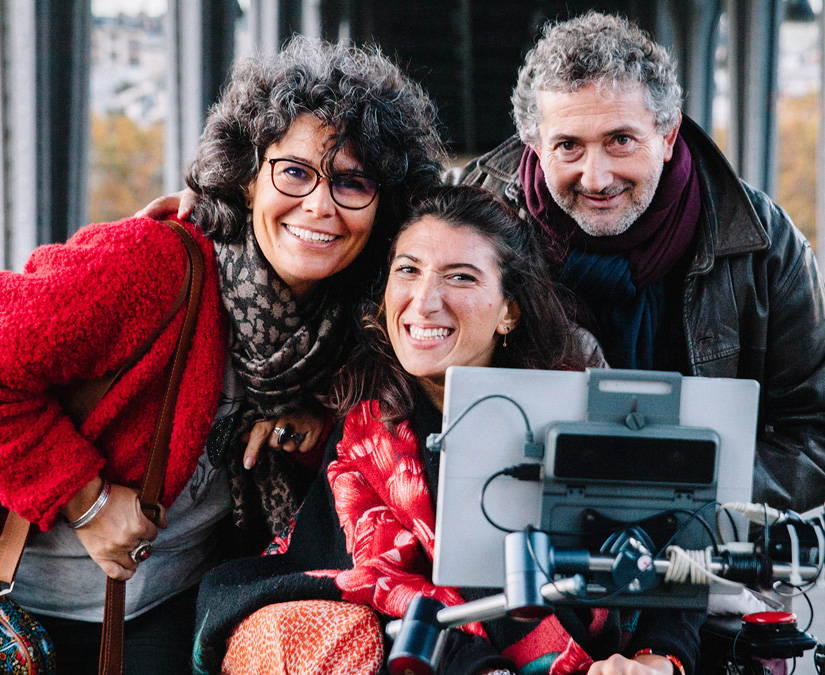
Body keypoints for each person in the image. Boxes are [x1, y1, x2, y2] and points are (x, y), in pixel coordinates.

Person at [0, 37, 442, 673]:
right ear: (246, 178)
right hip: (22, 609)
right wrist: (86, 500)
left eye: (352, 182)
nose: (319, 204)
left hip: (161, 620)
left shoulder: (356, 326)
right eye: (295, 171)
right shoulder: (154, 266)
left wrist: (312, 429)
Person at [192, 186, 700, 675]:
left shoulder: (580, 419)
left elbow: (670, 561)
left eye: (460, 277)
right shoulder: (367, 431)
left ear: (509, 311)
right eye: (408, 270)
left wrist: (659, 660)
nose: (424, 301)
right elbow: (363, 582)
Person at [457, 11, 825, 514]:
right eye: (568, 146)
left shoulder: (767, 244)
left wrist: (682, 494)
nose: (596, 177)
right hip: (510, 522)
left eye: (620, 141)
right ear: (536, 147)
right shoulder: (462, 220)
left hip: (702, 543)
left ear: (668, 135)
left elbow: (814, 433)